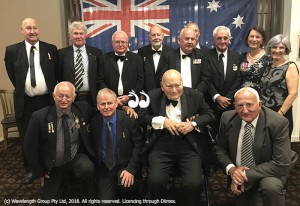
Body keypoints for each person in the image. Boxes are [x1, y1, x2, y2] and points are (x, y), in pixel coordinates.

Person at [138, 70, 215, 206]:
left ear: (182, 83)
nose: (174, 90)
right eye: (169, 86)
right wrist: (162, 121)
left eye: (177, 85)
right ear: (162, 86)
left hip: (189, 144)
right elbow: (142, 117)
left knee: (194, 182)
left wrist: (193, 123)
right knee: (155, 180)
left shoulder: (195, 95)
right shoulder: (152, 95)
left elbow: (210, 114)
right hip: (162, 143)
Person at [214, 87, 298, 206]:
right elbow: (218, 148)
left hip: (270, 170)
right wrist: (232, 170)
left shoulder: (277, 122)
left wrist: (242, 176)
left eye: (249, 105)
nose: (245, 110)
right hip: (238, 173)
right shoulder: (227, 118)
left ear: (259, 104)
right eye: (240, 105)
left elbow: (281, 163)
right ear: (234, 105)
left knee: (271, 187)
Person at [4, 17, 58, 184]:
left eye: (35, 27)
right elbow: (12, 75)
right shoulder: (12, 50)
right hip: (25, 102)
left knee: (48, 135)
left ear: (39, 29)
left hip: (47, 101)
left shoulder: (51, 49)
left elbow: (56, 73)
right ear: (22, 30)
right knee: (28, 137)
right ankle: (32, 170)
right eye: (28, 28)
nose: (32, 31)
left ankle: (49, 166)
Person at [24, 82, 95, 200]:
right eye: (60, 96)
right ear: (53, 96)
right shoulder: (39, 117)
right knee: (49, 200)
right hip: (52, 165)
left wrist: (124, 106)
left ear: (73, 98)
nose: (64, 99)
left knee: (87, 168)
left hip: (74, 159)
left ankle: (77, 187)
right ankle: (62, 184)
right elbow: (29, 147)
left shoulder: (82, 108)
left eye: (68, 96)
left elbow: (103, 110)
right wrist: (39, 172)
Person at [90, 88, 144, 200]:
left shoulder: (129, 120)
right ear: (97, 106)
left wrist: (131, 169)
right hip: (105, 169)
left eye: (109, 103)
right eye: (102, 104)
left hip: (125, 166)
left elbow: (139, 145)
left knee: (127, 188)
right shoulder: (94, 122)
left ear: (116, 104)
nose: (106, 107)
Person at [205, 25, 242, 139]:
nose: (222, 41)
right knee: (212, 137)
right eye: (219, 38)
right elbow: (206, 79)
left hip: (230, 105)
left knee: (230, 136)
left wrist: (227, 99)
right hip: (212, 105)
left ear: (229, 40)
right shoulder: (206, 56)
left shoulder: (237, 57)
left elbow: (238, 79)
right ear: (214, 39)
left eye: (225, 38)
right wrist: (217, 97)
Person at [260, 34, 299, 138]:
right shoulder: (267, 66)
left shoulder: (290, 66)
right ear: (269, 48)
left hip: (281, 112)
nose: (277, 50)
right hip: (264, 113)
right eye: (274, 47)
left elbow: (293, 94)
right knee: (265, 148)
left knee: (280, 149)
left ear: (286, 50)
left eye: (281, 47)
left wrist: (279, 114)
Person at [58, 21, 102, 106]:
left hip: (91, 97)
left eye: (81, 33)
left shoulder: (96, 53)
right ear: (70, 36)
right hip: (69, 98)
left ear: (85, 35)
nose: (79, 36)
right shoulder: (61, 54)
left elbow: (99, 76)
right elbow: (59, 76)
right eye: (75, 33)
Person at [98, 30, 144, 113]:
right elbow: (100, 81)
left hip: (132, 101)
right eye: (117, 42)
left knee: (132, 125)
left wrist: (130, 96)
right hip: (109, 103)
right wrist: (112, 98)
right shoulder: (103, 59)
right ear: (112, 43)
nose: (120, 44)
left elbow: (140, 81)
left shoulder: (137, 59)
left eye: (123, 42)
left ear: (127, 43)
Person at [159, 27, 211, 93]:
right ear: (179, 40)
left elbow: (206, 78)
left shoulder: (202, 55)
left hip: (197, 96)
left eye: (192, 39)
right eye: (187, 39)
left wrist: (196, 93)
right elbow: (163, 78)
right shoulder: (169, 57)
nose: (190, 41)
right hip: (174, 95)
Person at [137, 25, 174, 92]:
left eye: (158, 35)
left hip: (165, 92)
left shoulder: (171, 52)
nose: (156, 37)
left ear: (162, 36)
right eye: (153, 35)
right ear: (149, 37)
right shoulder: (142, 52)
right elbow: (140, 74)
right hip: (147, 93)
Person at [240, 26, 272, 92]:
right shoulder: (241, 57)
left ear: (262, 40)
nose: (254, 40)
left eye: (257, 37)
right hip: (243, 98)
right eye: (252, 36)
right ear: (247, 39)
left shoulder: (269, 58)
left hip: (262, 98)